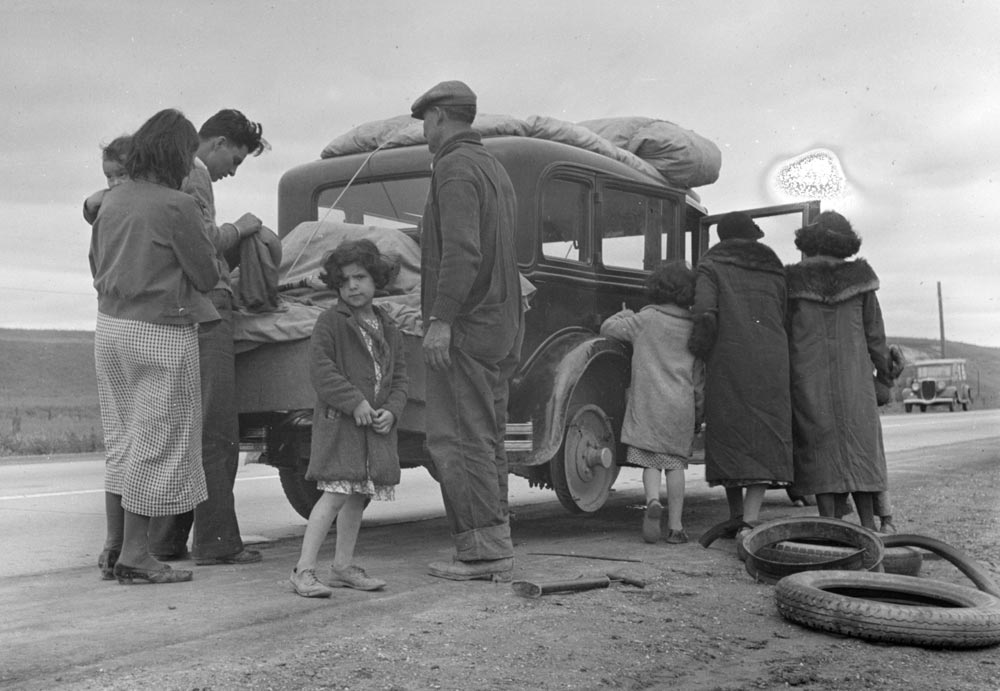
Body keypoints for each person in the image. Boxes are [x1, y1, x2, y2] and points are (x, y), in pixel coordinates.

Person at [90, 109, 219, 584]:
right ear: (176, 155)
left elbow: (94, 264)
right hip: (161, 331)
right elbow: (206, 274)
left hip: (109, 327)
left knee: (122, 437)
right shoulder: (176, 205)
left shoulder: (111, 200)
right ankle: (136, 554)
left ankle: (112, 546)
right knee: (157, 438)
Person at [411, 80, 524, 582]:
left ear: (438, 117)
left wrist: (441, 320)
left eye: (425, 123)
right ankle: (494, 541)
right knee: (487, 435)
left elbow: (462, 252)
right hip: (501, 323)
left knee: (457, 436)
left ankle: (480, 552)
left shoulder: (454, 167)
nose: (425, 134)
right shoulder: (493, 167)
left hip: (469, 327)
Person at [147, 109, 269, 566]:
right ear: (215, 144)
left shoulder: (164, 175)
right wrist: (242, 230)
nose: (231, 171)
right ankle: (217, 541)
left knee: (183, 426)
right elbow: (200, 241)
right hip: (208, 306)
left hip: (173, 310)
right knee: (217, 429)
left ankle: (165, 539)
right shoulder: (195, 176)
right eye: (234, 160)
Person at [289, 239, 409, 597]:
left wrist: (392, 410)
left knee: (358, 496)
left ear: (376, 279)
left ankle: (342, 566)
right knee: (335, 495)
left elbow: (400, 377)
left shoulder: (388, 325)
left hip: (374, 430)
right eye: (344, 281)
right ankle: (303, 569)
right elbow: (322, 372)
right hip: (341, 425)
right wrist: (354, 402)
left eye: (360, 277)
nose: (353, 286)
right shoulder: (330, 322)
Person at [785, 211, 894, 531]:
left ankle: (831, 527)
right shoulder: (861, 281)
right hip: (855, 382)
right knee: (860, 451)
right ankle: (867, 527)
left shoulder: (791, 281)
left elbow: (783, 333)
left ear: (809, 242)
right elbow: (876, 337)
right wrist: (884, 378)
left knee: (820, 453)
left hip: (808, 380)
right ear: (846, 242)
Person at [688, 212, 793, 537]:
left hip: (729, 357)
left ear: (722, 237)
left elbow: (705, 312)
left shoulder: (711, 265)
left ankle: (736, 516)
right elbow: (784, 312)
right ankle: (751, 518)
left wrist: (699, 350)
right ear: (753, 236)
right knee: (765, 433)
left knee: (729, 434)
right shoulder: (775, 267)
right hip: (772, 358)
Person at [600, 262, 705, 544]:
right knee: (675, 465)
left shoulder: (645, 320)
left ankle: (651, 501)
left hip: (648, 404)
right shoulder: (694, 327)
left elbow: (608, 329)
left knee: (650, 461)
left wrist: (623, 314)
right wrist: (698, 412)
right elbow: (698, 380)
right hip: (680, 406)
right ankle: (676, 527)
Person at [83, 135, 131, 224]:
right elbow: (95, 219)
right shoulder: (107, 196)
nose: (115, 182)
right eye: (109, 177)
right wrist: (89, 206)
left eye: (122, 175)